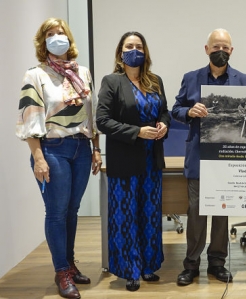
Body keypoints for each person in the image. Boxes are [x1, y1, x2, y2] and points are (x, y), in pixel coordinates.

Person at [15, 18, 101, 299]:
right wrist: (38, 157)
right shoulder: (35, 74)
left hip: (81, 149)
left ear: (69, 38)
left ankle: (69, 262)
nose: (56, 38)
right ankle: (61, 271)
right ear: (43, 42)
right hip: (53, 149)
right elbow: (30, 118)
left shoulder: (82, 72)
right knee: (56, 212)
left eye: (60, 33)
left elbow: (92, 114)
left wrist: (96, 148)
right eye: (50, 34)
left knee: (72, 210)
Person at [172, 28, 246, 286]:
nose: (221, 51)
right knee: (195, 213)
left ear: (232, 50)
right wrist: (189, 111)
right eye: (215, 47)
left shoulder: (244, 81)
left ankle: (217, 262)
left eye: (225, 47)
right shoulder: (191, 78)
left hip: (229, 159)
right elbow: (175, 109)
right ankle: (191, 264)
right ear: (206, 49)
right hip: (199, 156)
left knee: (222, 211)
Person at [96, 31, 170, 292]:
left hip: (152, 161)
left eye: (139, 46)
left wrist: (163, 124)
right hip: (124, 160)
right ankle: (130, 270)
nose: (134, 50)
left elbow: (164, 111)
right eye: (130, 46)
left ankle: (148, 265)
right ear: (120, 52)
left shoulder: (155, 81)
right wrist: (136, 132)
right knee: (125, 216)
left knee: (149, 215)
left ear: (145, 52)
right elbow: (102, 120)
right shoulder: (112, 81)